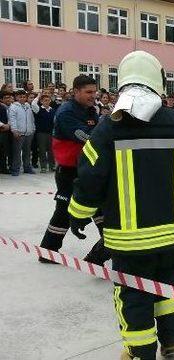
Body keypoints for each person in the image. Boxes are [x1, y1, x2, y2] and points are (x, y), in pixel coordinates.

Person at [68, 51, 174, 360]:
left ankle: (139, 351)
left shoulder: (109, 127)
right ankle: (172, 343)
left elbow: (90, 177)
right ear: (157, 79)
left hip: (131, 238)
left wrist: (77, 214)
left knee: (134, 294)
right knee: (170, 289)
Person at [38, 75, 109, 266]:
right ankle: (47, 251)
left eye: (94, 92)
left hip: (88, 168)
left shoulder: (91, 110)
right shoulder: (66, 112)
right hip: (69, 171)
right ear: (75, 91)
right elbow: (85, 136)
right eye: (88, 92)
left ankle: (108, 247)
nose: (93, 96)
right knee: (64, 210)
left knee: (101, 207)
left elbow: (97, 133)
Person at [8, 90, 36, 176]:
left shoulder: (28, 106)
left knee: (27, 152)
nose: (22, 98)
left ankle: (27, 167)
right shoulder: (13, 107)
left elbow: (32, 118)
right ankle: (15, 169)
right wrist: (14, 130)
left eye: (24, 97)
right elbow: (12, 120)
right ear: (16, 97)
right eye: (20, 97)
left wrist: (33, 128)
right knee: (17, 152)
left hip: (29, 132)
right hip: (19, 133)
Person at [31, 93, 56, 172]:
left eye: (48, 100)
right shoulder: (38, 109)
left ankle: (52, 166)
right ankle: (43, 167)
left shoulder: (52, 110)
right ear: (41, 101)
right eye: (45, 101)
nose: (47, 102)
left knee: (51, 150)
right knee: (42, 150)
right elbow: (33, 104)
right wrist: (38, 96)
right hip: (41, 133)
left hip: (51, 133)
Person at [0, 91, 13, 173]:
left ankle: (8, 167)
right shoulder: (1, 107)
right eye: (6, 98)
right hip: (2, 130)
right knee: (2, 151)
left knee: (8, 150)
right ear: (1, 99)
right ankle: (3, 168)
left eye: (9, 97)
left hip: (10, 131)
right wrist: (3, 125)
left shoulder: (13, 107)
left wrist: (9, 125)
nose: (8, 99)